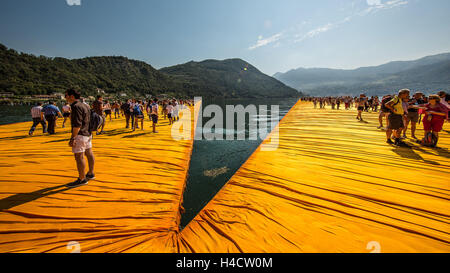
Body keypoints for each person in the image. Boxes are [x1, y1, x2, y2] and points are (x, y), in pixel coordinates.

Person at [64, 88, 95, 188]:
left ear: (72, 96)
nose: (65, 97)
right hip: (88, 133)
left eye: (66, 95)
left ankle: (82, 179)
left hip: (80, 134)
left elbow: (77, 124)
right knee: (89, 153)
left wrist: (73, 138)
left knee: (79, 156)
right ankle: (90, 173)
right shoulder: (84, 105)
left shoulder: (76, 106)